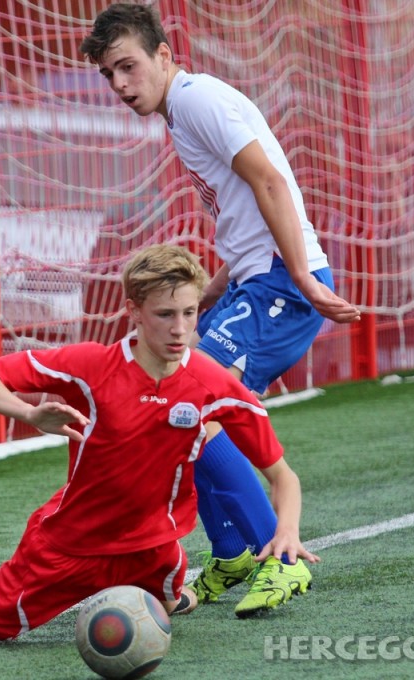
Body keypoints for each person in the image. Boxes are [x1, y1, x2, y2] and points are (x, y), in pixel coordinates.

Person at [0, 244, 318, 641]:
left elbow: (283, 476)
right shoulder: (91, 366)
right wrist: (29, 413)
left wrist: (287, 531)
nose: (180, 329)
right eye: (165, 315)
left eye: (189, 313)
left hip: (153, 553)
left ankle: (162, 594)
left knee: (165, 608)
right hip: (71, 546)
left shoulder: (211, 383)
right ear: (134, 311)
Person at [79, 3, 359, 616]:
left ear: (164, 55)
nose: (121, 85)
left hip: (280, 287)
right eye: (109, 75)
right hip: (257, 283)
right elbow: (248, 207)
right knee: (180, 412)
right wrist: (215, 288)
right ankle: (231, 554)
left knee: (189, 403)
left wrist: (307, 282)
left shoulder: (200, 99)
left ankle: (279, 559)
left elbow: (271, 184)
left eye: (128, 67)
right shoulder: (180, 113)